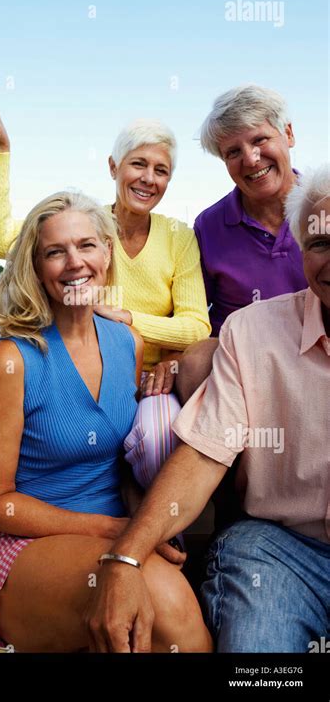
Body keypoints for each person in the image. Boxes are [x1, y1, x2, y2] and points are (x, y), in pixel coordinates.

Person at [83, 164, 330, 653]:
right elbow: (204, 453)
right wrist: (126, 558)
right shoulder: (251, 331)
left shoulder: (175, 240)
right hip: (279, 547)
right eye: (322, 243)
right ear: (302, 251)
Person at [0, 190, 212, 653]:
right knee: (168, 602)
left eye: (86, 246)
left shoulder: (128, 343)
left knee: (167, 608)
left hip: (118, 529)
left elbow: (118, 461)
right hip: (24, 546)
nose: (75, 262)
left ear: (107, 252)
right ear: (37, 268)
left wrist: (142, 523)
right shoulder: (11, 360)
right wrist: (113, 531)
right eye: (55, 252)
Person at [0, 99, 210, 400]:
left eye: (161, 171)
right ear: (113, 167)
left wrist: (125, 317)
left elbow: (196, 328)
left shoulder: (179, 237)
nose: (148, 178)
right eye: (138, 164)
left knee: (156, 434)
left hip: (150, 380)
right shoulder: (83, 225)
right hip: (80, 364)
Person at [176, 84, 308, 404]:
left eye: (260, 139)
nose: (251, 159)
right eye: (233, 152)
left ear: (288, 134)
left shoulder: (321, 206)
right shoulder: (208, 226)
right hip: (241, 366)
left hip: (315, 355)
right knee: (194, 361)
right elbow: (194, 314)